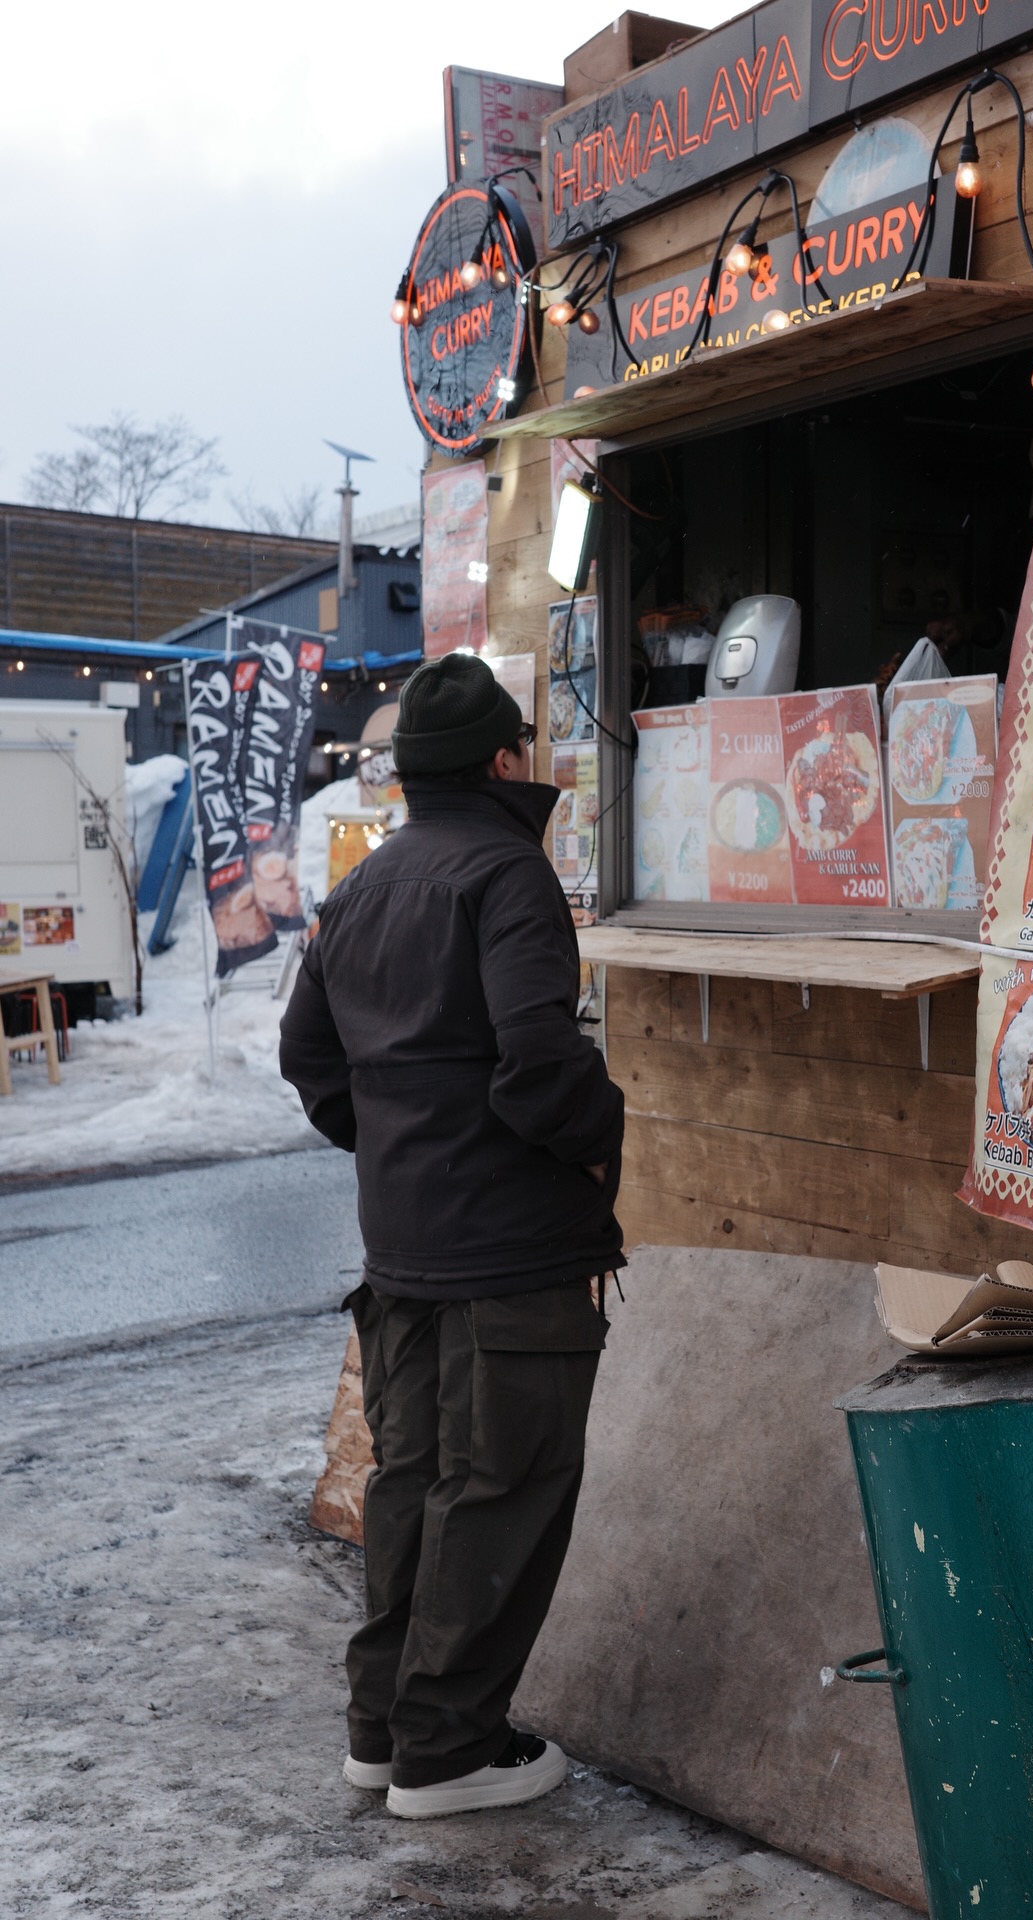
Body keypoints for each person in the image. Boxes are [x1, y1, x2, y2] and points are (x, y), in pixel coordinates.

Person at [279, 651, 625, 1820]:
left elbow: (309, 1059)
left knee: (413, 1481)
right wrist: (595, 1135)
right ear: (501, 760)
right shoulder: (507, 873)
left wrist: (389, 1144)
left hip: (404, 1247)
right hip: (511, 1252)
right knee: (503, 1489)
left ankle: (383, 1731)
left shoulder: (363, 886)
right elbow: (539, 1063)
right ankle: (447, 1748)